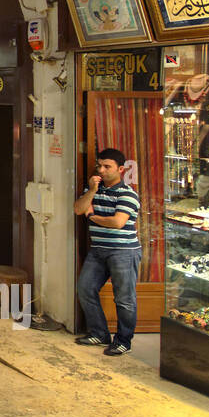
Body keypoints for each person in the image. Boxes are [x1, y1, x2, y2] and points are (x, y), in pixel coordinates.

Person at [73, 147, 141, 356]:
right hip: (98, 250)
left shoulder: (128, 194)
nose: (101, 170)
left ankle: (123, 341)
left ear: (120, 169)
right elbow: (78, 209)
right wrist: (92, 191)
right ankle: (99, 333)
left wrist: (92, 217)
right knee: (85, 289)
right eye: (99, 166)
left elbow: (117, 222)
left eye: (107, 167)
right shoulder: (95, 189)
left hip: (123, 251)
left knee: (124, 298)